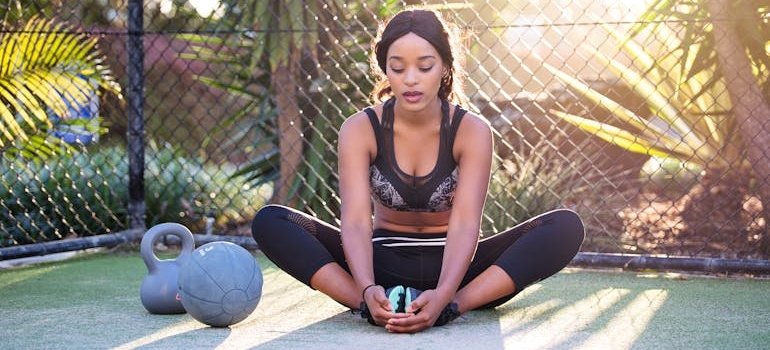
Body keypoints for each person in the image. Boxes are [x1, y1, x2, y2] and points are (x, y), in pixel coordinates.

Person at [251, 8, 584, 334]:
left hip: (458, 270)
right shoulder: (360, 129)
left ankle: (455, 306)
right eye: (397, 68)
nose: (410, 79)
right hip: (381, 265)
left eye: (424, 66)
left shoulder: (472, 131)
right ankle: (370, 306)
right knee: (272, 221)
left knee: (565, 228)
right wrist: (366, 288)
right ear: (385, 68)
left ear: (445, 66)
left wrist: (446, 296)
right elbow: (355, 221)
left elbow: (466, 223)